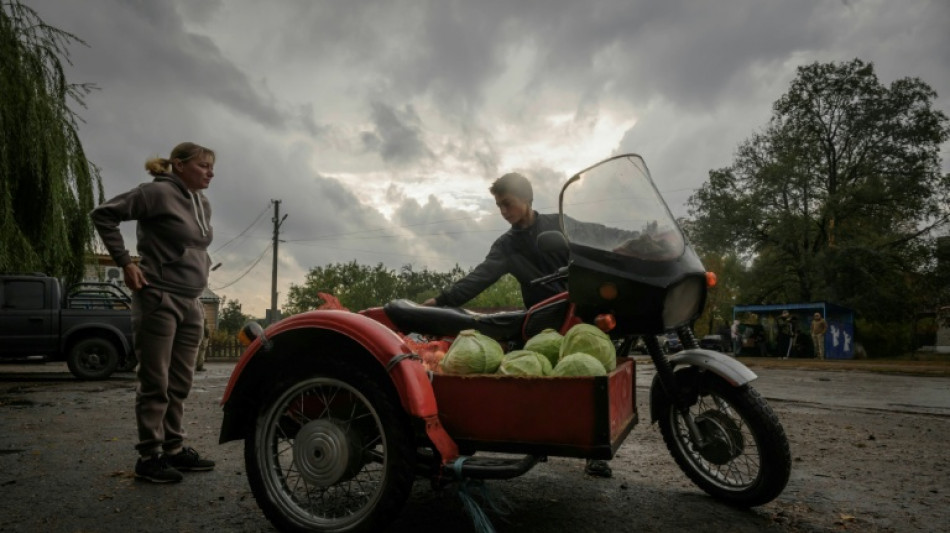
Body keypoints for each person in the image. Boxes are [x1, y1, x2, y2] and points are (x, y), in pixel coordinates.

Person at [423, 172, 612, 478]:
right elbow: (478, 278)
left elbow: (597, 234)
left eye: (507, 203)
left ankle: (594, 453)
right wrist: (440, 300)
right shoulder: (506, 246)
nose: (503, 211)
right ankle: (541, 440)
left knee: (588, 379)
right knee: (540, 383)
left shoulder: (557, 224)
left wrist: (637, 239)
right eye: (499, 206)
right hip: (541, 322)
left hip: (577, 313)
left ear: (527, 199)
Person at [91, 142, 217, 483]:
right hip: (159, 297)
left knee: (180, 382)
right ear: (178, 164)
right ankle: (149, 456)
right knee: (155, 381)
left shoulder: (202, 202)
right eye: (204, 165)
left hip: (192, 302)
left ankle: (173, 449)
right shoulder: (155, 193)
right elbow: (104, 214)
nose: (210, 173)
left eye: (212, 167)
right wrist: (125, 263)